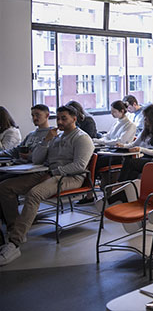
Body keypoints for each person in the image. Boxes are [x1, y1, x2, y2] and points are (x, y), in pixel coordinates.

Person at [0, 105, 94, 266]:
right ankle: (16, 229)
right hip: (48, 172)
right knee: (5, 187)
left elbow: (79, 165)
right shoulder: (56, 136)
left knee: (34, 194)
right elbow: (36, 159)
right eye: (58, 118)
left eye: (64, 118)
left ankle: (14, 243)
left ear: (74, 118)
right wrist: (46, 141)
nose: (59, 121)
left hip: (69, 176)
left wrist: (53, 172)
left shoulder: (82, 138)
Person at [75, 100, 138, 205]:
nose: (112, 114)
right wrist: (99, 140)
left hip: (120, 155)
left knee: (94, 162)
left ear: (122, 111)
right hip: (110, 151)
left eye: (114, 111)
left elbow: (119, 142)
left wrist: (100, 141)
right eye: (111, 111)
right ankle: (88, 191)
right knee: (91, 159)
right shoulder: (117, 122)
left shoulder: (130, 125)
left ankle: (89, 193)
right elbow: (108, 136)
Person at [116, 104, 153, 182]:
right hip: (147, 158)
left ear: (152, 118)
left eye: (146, 117)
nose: (144, 119)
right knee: (132, 172)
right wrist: (123, 146)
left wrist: (141, 149)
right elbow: (134, 144)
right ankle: (126, 189)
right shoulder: (145, 131)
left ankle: (120, 184)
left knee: (130, 163)